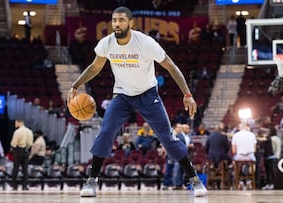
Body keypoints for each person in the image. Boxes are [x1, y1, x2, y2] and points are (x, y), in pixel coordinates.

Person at [67, 6, 207, 197]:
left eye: (122, 20)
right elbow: (94, 67)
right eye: (114, 20)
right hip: (122, 96)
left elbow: (171, 67)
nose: (117, 23)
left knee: (167, 137)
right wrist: (75, 85)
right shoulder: (107, 43)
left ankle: (195, 180)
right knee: (106, 131)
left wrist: (187, 94)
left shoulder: (146, 43)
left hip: (148, 95)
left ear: (131, 23)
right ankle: (91, 181)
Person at [10, 120, 34, 190]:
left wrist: (12, 148)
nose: (15, 124)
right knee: (25, 169)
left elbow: (13, 144)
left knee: (16, 168)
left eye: (15, 123)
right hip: (26, 151)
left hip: (18, 150)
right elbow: (30, 143)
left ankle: (14, 185)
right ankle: (25, 185)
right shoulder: (30, 131)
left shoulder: (17, 132)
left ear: (19, 122)